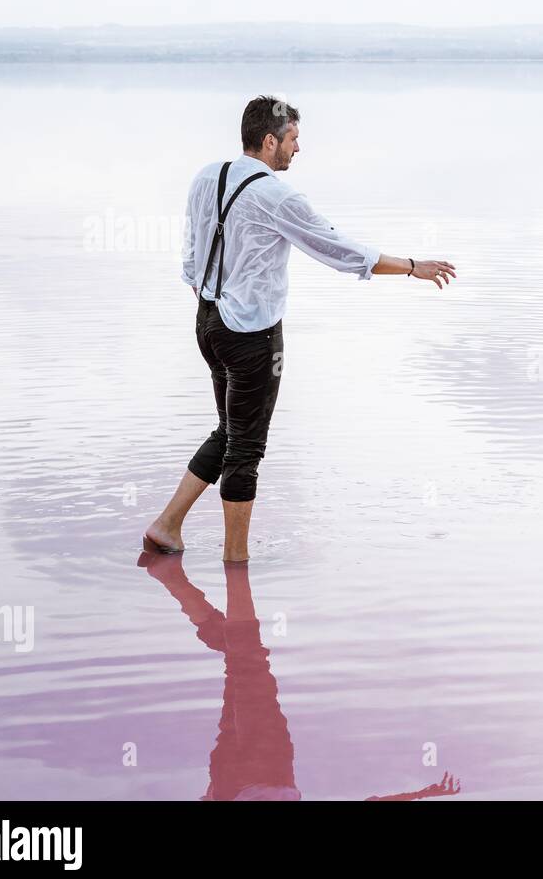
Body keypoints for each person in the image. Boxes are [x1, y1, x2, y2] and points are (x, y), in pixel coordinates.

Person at [142, 96, 456, 560]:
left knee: (230, 432)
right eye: (292, 139)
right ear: (270, 141)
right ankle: (237, 564)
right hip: (252, 336)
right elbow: (339, 250)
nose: (297, 149)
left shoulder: (207, 175)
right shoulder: (277, 196)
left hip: (208, 323)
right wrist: (412, 266)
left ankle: (168, 526)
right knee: (247, 446)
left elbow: (191, 254)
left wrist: (211, 301)